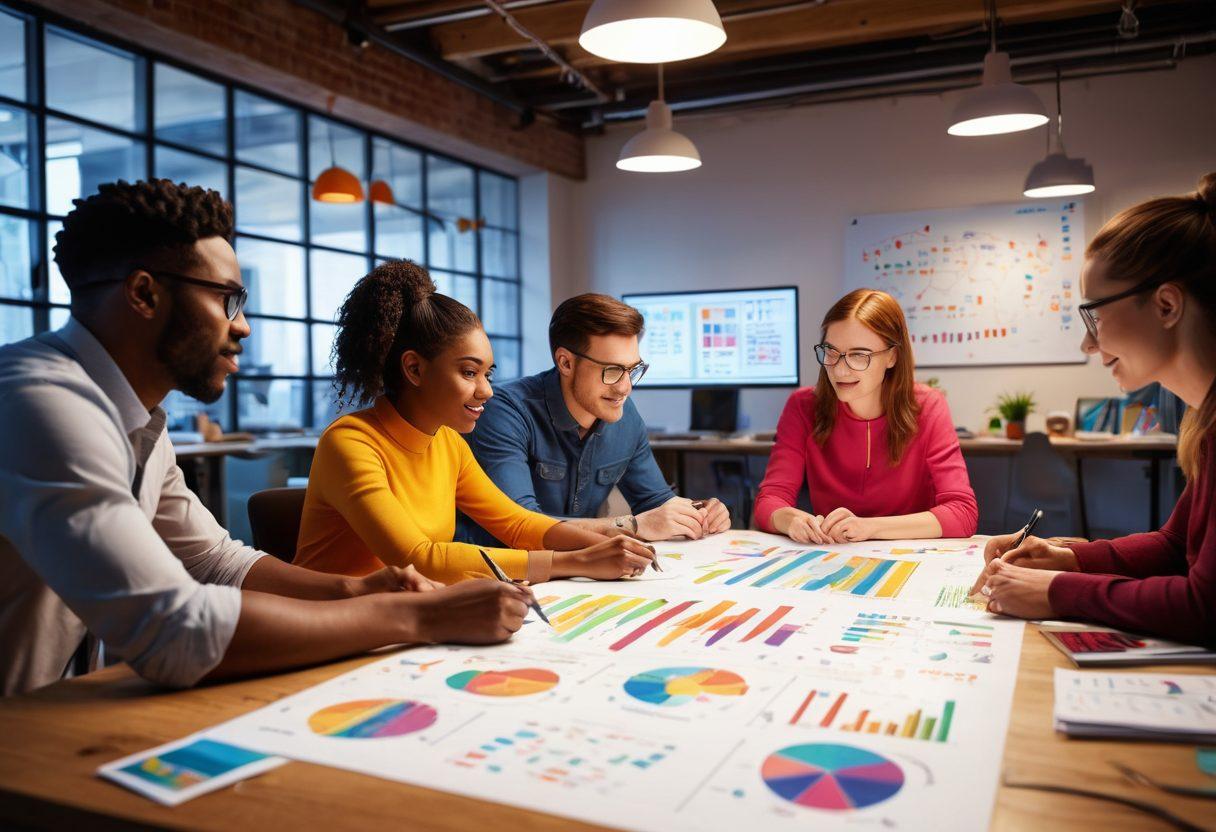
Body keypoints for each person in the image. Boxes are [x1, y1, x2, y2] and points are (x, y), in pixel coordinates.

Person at [0, 180, 533, 698]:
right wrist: (415, 615)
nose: (244, 327)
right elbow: (175, 632)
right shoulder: (40, 403)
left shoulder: (139, 417)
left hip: (57, 713)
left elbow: (216, 561)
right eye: (227, 300)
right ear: (144, 293)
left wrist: (354, 589)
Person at [293, 264, 657, 584]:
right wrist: (577, 562)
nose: (486, 390)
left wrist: (607, 542)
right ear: (414, 369)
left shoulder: (448, 443)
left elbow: (517, 524)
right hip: (330, 627)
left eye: (488, 373)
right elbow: (421, 558)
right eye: (469, 372)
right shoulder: (351, 442)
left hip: (402, 618)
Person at [974, 173, 1216, 646]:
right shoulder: (1205, 421)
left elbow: (1205, 608)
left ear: (1166, 306)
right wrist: (1070, 558)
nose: (1088, 343)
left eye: (1096, 316)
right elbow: (1173, 547)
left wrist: (1059, 591)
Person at [458, 293, 730, 547]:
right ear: (565, 363)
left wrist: (699, 514)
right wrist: (630, 526)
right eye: (612, 370)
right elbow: (519, 525)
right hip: (499, 575)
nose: (625, 388)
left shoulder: (625, 416)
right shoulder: (505, 412)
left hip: (577, 571)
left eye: (632, 370)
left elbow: (656, 505)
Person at [754, 288, 978, 544]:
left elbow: (963, 513)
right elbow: (769, 500)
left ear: (892, 356)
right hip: (833, 558)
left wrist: (869, 528)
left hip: (909, 558)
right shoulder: (803, 406)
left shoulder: (928, 406)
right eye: (830, 351)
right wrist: (790, 519)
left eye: (859, 355)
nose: (839, 369)